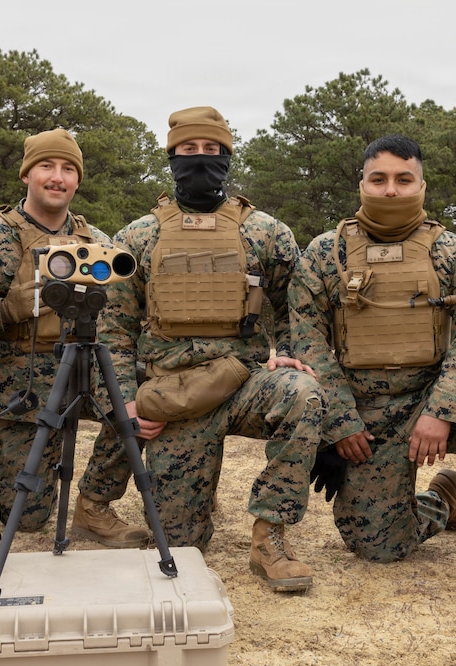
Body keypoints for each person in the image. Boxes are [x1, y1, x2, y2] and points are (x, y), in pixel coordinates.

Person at [74, 106, 325, 591]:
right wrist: (125, 405)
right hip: (176, 395)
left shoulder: (266, 232)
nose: (201, 158)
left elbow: (296, 304)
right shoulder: (139, 236)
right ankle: (191, 494)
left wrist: (291, 351)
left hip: (245, 381)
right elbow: (113, 331)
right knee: (182, 545)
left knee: (303, 393)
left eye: (212, 149)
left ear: (227, 157)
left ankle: (270, 536)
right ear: (172, 158)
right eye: (189, 150)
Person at [289, 135, 456, 613]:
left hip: (438, 397)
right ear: (362, 183)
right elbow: (306, 338)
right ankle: (441, 501)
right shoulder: (325, 254)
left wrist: (441, 411)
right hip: (365, 411)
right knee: (378, 547)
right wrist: (339, 422)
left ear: (422, 185)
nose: (390, 190)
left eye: (403, 179)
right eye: (378, 179)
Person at [0, 127, 150, 546]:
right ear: (26, 174)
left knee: (146, 401)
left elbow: (121, 320)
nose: (58, 177)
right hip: (20, 380)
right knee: (27, 519)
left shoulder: (98, 243)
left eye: (68, 169)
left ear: (77, 180)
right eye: (46, 166)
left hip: (86, 367)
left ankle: (94, 504)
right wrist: (11, 308)